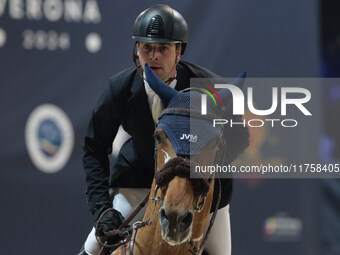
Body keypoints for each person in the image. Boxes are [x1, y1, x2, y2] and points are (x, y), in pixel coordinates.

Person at [80, 4, 249, 255]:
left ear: (179, 51)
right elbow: (94, 149)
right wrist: (102, 209)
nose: (154, 56)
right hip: (138, 183)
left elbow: (240, 138)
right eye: (146, 48)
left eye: (163, 48)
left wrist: (200, 169)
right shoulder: (120, 88)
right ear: (137, 49)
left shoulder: (212, 90)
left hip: (199, 189)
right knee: (94, 247)